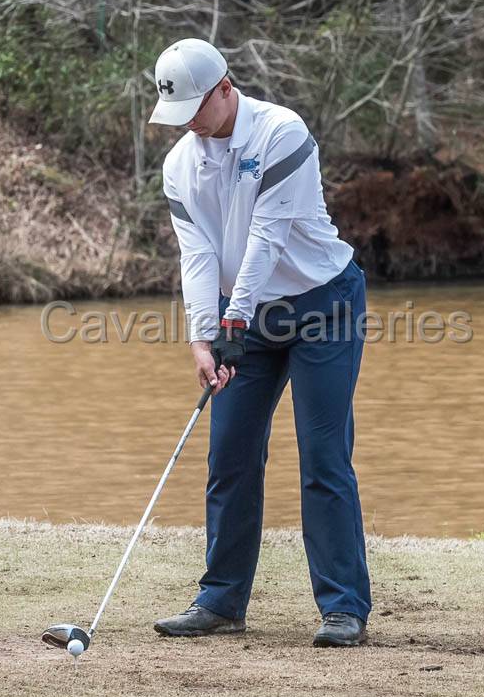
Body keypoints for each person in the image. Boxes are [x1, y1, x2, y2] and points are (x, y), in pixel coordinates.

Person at [147, 38, 371, 647]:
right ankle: (221, 602)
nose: (189, 122)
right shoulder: (178, 167)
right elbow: (197, 257)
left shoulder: (282, 133)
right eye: (179, 112)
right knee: (231, 454)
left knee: (323, 457)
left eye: (197, 107)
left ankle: (344, 608)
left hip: (323, 305)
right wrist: (202, 335)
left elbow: (265, 242)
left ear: (226, 88)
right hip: (242, 315)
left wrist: (234, 323)